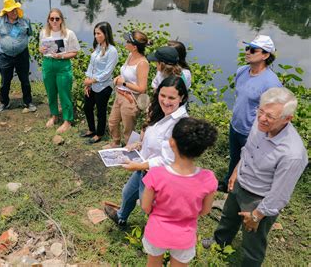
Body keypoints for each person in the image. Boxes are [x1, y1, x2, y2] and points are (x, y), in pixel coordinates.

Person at [203, 87, 307, 267]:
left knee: (253, 239)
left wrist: (257, 215)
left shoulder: (292, 153)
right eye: (261, 111)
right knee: (228, 218)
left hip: (259, 199)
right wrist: (236, 171)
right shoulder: (260, 123)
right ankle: (219, 242)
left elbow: (279, 194)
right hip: (241, 183)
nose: (262, 118)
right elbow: (248, 150)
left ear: (287, 119)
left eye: (270, 116)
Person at [104, 76, 189, 226]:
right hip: (143, 168)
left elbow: (168, 160)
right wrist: (138, 144)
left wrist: (138, 166)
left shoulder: (181, 124)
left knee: (149, 207)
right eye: (162, 95)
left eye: (171, 97)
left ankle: (157, 241)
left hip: (158, 177)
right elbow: (152, 138)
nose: (166, 101)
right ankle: (121, 217)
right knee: (127, 193)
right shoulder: (161, 113)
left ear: (181, 98)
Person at [142, 117, 218, 267]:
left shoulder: (156, 174)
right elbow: (205, 210)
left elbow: (145, 206)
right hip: (184, 236)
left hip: (157, 231)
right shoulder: (208, 179)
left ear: (172, 142)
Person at [220, 35, 282, 192]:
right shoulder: (242, 71)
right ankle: (228, 183)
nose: (247, 52)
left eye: (253, 50)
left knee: (248, 163)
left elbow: (274, 112)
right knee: (235, 158)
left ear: (266, 55)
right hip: (236, 126)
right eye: (247, 48)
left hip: (253, 132)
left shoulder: (271, 82)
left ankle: (238, 191)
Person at [103, 31, 149, 149]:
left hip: (130, 100)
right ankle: (116, 143)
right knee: (112, 121)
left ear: (134, 47)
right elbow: (126, 73)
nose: (125, 42)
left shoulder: (142, 63)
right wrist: (120, 78)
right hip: (120, 95)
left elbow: (142, 88)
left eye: (128, 41)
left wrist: (123, 83)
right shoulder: (130, 56)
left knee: (128, 129)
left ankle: (132, 151)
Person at [0, 0, 37, 114]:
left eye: (16, 9)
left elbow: (29, 33)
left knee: (25, 80)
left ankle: (28, 102)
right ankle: (4, 102)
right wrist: (7, 44)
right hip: (4, 56)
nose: (14, 12)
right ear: (6, 11)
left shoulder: (25, 20)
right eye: (11, 10)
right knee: (5, 81)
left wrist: (17, 45)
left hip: (22, 55)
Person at [39, 8, 80, 133]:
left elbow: (75, 52)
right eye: (52, 19)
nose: (55, 21)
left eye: (57, 18)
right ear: (48, 20)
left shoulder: (69, 33)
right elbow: (42, 48)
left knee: (64, 92)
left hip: (62, 65)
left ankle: (67, 120)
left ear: (61, 20)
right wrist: (41, 50)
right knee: (50, 92)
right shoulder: (44, 33)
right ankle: (54, 115)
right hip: (48, 64)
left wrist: (61, 56)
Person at [81, 22, 118, 144]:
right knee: (87, 107)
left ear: (106, 34)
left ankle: (99, 133)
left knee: (100, 111)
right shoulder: (98, 47)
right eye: (95, 33)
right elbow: (91, 65)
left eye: (98, 33)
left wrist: (91, 80)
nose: (96, 36)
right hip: (92, 84)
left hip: (104, 86)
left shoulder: (112, 51)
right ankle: (91, 129)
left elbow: (107, 72)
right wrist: (88, 83)